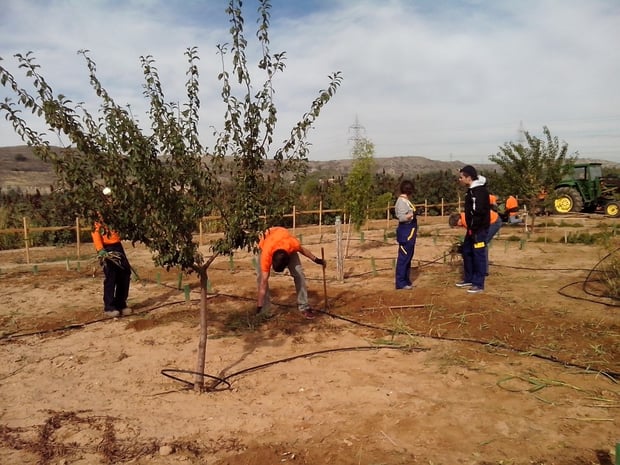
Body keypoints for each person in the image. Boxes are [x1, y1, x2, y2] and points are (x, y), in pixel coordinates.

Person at [256, 226, 326, 319]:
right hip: (267, 241)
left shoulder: (292, 244)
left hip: (284, 241)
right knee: (262, 277)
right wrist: (259, 306)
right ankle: (264, 310)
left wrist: (316, 260)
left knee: (299, 273)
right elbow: (264, 281)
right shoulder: (266, 255)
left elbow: (303, 250)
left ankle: (304, 306)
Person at [92, 187, 132, 317]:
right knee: (111, 276)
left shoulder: (116, 212)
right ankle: (109, 306)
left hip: (117, 245)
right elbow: (95, 232)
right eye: (108, 197)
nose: (110, 199)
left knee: (125, 273)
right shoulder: (99, 214)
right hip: (106, 248)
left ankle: (121, 303)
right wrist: (100, 250)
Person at [455, 165, 490, 294]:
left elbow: (478, 212)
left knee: (478, 254)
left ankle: (478, 284)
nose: (460, 180)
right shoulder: (471, 190)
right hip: (472, 229)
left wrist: (474, 228)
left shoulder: (478, 192)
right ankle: (469, 278)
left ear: (469, 178)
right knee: (467, 251)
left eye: (461, 177)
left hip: (478, 229)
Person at [394, 179, 417, 290]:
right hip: (405, 232)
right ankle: (400, 283)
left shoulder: (406, 201)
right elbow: (401, 217)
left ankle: (406, 280)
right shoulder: (401, 202)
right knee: (403, 258)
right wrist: (411, 215)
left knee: (408, 257)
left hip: (410, 232)